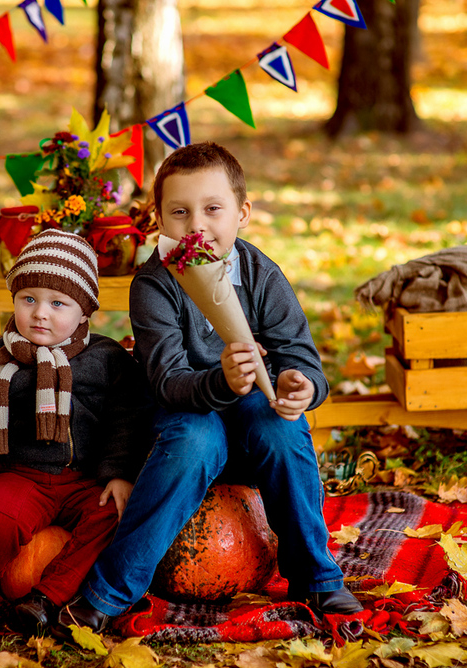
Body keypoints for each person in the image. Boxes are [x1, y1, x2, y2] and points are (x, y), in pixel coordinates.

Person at [52, 141, 362, 638]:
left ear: (242, 213)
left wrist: (301, 385)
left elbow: (301, 357)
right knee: (196, 438)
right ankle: (110, 592)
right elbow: (168, 382)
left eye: (213, 209)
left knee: (280, 429)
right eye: (179, 212)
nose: (196, 225)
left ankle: (315, 576)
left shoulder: (262, 276)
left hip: (253, 437)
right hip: (180, 429)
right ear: (158, 221)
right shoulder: (154, 284)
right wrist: (221, 380)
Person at [0, 230, 151, 634]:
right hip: (23, 476)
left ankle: (48, 598)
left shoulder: (107, 358)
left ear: (84, 312)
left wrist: (118, 473)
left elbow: (128, 418)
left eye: (57, 303)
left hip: (88, 479)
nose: (39, 313)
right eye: (28, 299)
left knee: (115, 517)